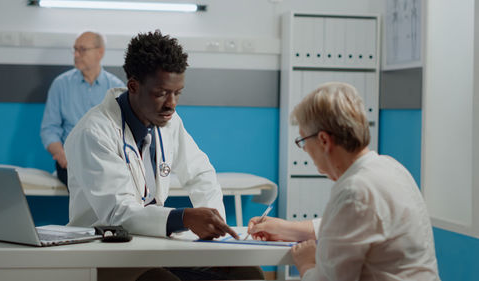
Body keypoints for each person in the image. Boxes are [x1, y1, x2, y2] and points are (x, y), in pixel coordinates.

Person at [64, 31, 264, 281]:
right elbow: (118, 213)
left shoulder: (168, 121)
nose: (172, 104)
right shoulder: (94, 132)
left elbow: (201, 173)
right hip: (105, 251)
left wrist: (215, 227)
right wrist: (184, 217)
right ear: (134, 86)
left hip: (153, 246)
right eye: (161, 93)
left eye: (177, 92)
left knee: (246, 274)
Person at [247, 82, 440, 280]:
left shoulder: (354, 191)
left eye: (303, 141)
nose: (305, 150)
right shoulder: (391, 168)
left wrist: (306, 263)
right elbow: (352, 225)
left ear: (323, 140)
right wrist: (289, 229)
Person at [40, 31, 125, 186]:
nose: (76, 54)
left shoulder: (116, 88)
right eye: (75, 49)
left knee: (108, 183)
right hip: (70, 160)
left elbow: (123, 131)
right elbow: (49, 129)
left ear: (100, 52)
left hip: (105, 159)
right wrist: (61, 154)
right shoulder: (61, 84)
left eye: (82, 49)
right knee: (89, 187)